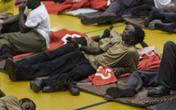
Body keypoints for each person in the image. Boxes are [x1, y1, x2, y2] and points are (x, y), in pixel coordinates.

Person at [5, 25, 145, 95]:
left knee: (72, 73)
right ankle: (19, 71)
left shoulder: (132, 52)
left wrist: (119, 70)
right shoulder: (117, 40)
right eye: (125, 29)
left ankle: (42, 82)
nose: (124, 31)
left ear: (132, 38)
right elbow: (98, 50)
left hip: (95, 67)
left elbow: (133, 69)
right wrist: (80, 46)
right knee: (55, 64)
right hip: (86, 55)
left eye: (127, 31)